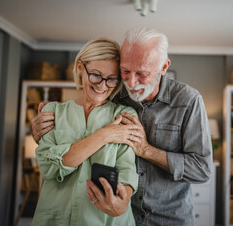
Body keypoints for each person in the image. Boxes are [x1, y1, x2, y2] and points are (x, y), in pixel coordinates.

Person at [32, 28, 213, 225]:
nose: (132, 82)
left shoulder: (188, 101)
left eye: (142, 74)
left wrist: (146, 150)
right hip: (121, 216)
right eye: (125, 71)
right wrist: (40, 128)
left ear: (164, 67)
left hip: (169, 217)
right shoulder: (112, 91)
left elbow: (201, 169)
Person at [31, 37, 141, 226]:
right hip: (56, 219)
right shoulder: (52, 112)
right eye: (96, 75)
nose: (102, 85)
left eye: (111, 79)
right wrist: (105, 135)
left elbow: (127, 169)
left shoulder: (125, 115)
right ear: (80, 67)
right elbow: (50, 168)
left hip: (105, 220)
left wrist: (122, 202)